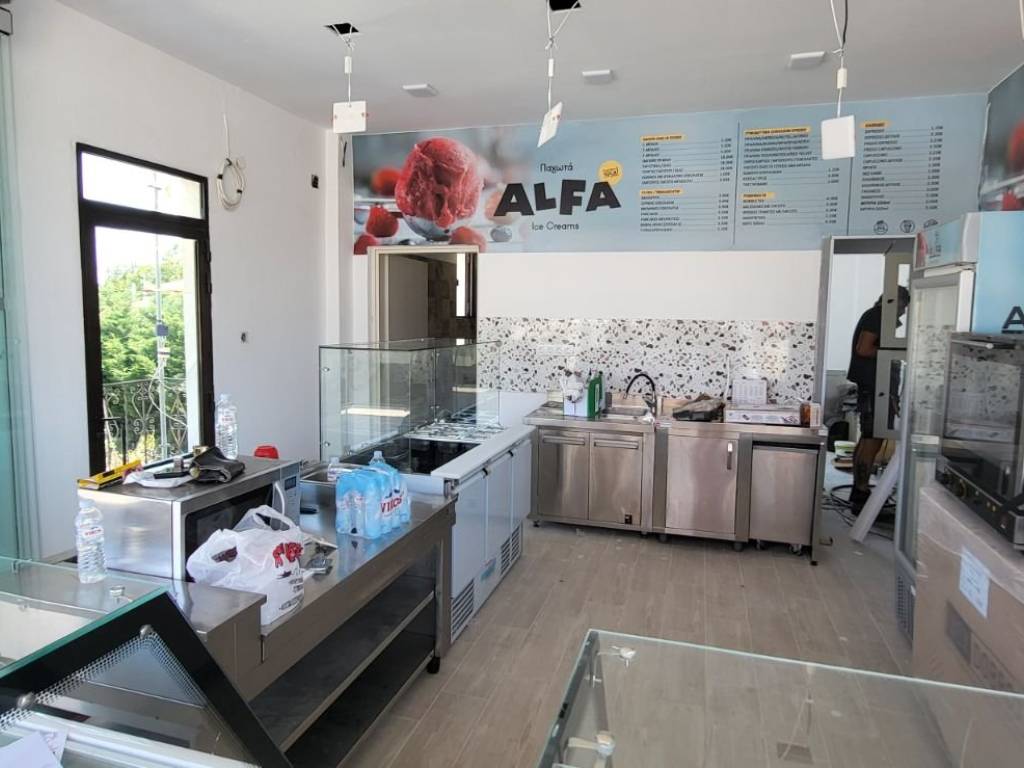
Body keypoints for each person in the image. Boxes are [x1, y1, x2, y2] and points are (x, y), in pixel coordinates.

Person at [846, 286, 910, 509]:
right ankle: (861, 491)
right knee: (873, 438)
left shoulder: (876, 315)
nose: (903, 312)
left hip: (875, 384)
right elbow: (863, 349)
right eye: (903, 306)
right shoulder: (877, 316)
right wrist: (893, 352)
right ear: (894, 301)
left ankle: (859, 489)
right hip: (875, 385)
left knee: (868, 437)